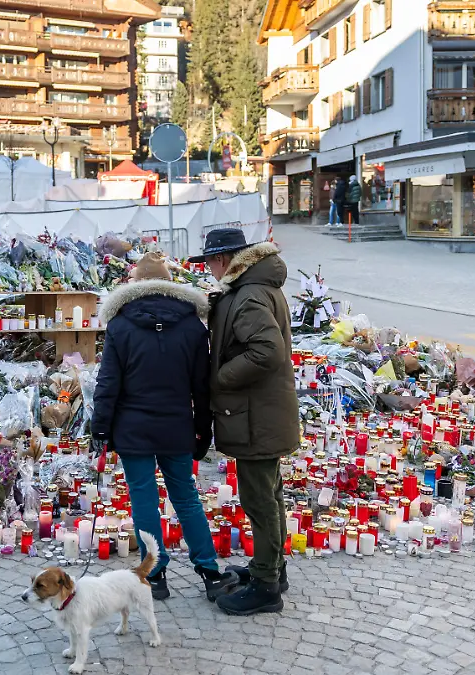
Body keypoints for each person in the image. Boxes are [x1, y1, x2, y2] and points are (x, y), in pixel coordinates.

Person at [91, 252, 237, 602]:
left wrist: (101, 428)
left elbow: (108, 382)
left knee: (143, 498)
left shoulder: (121, 325)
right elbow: (201, 386)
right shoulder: (192, 325)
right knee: (185, 497)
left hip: (133, 427)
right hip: (176, 425)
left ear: (136, 285)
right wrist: (203, 429)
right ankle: (209, 571)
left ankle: (154, 575)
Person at [190, 229, 300, 616]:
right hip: (261, 412)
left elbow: (267, 351)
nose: (209, 269)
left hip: (257, 416)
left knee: (260, 500)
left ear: (223, 260)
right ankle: (270, 569)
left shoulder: (249, 294)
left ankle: (267, 586)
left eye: (209, 262)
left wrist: (220, 378)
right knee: (269, 494)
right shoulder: (252, 287)